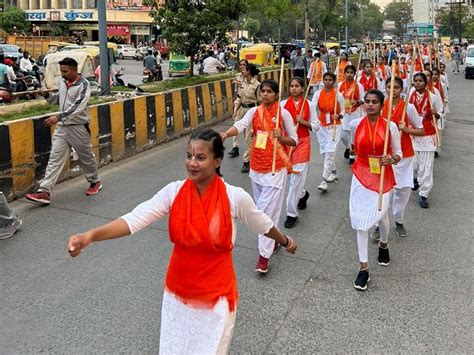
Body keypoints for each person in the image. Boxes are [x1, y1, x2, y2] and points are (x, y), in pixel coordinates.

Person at [67, 128, 298, 353]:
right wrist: (91, 236)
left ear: (217, 161)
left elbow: (263, 224)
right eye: (188, 156)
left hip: (216, 299)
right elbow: (134, 219)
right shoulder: (174, 192)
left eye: (200, 157)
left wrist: (285, 241)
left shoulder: (234, 197)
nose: (192, 163)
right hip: (177, 296)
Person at [221, 79, 298, 274]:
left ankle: (264, 256)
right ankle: (276, 240)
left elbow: (294, 140)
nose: (265, 94)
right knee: (267, 212)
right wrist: (225, 134)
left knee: (263, 213)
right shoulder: (254, 112)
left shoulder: (284, 114)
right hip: (256, 168)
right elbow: (240, 125)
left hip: (275, 169)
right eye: (262, 91)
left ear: (276, 94)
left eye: (269, 92)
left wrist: (281, 137)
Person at [26, 57, 102, 205]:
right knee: (54, 159)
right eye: (61, 71)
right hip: (62, 128)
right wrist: (47, 95)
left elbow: (78, 107)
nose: (62, 74)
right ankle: (44, 191)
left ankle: (95, 181)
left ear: (74, 70)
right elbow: (57, 101)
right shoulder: (63, 83)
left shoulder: (84, 85)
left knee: (86, 158)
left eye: (65, 71)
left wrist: (58, 117)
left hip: (79, 127)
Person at [349, 89, 402, 291]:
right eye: (367, 101)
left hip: (382, 175)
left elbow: (398, 152)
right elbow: (355, 149)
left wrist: (391, 159)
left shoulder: (391, 127)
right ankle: (363, 268)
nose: (370, 105)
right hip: (361, 176)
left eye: (374, 102)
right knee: (359, 221)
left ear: (381, 105)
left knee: (381, 216)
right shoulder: (356, 124)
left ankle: (383, 243)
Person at [372, 77, 424, 241]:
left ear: (401, 89)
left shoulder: (408, 108)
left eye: (395, 87)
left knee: (402, 191)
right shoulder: (380, 106)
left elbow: (421, 130)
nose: (392, 90)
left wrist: (406, 128)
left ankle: (399, 220)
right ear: (385, 88)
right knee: (383, 191)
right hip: (385, 155)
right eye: (389, 87)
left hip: (404, 156)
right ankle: (378, 224)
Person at [281, 77, 318, 228]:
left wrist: (303, 122)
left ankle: (291, 213)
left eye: (297, 86)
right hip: (288, 143)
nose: (294, 88)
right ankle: (302, 194)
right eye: (292, 86)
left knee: (295, 178)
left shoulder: (309, 104)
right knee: (290, 178)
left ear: (302, 88)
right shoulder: (282, 105)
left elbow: (316, 127)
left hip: (302, 142)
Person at [408, 73, 443, 208]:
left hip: (428, 134)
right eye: (415, 81)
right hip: (413, 133)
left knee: (426, 166)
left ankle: (424, 193)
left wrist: (436, 113)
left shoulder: (433, 97)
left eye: (420, 81)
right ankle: (415, 179)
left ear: (425, 82)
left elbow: (440, 112)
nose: (417, 83)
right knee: (414, 163)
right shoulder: (409, 96)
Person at [312, 72, 345, 192]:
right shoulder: (317, 94)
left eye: (330, 80)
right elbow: (313, 108)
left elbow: (343, 110)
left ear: (334, 81)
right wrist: (315, 121)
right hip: (321, 127)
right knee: (325, 152)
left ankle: (324, 180)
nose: (327, 82)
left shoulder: (338, 95)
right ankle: (334, 172)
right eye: (325, 79)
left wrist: (339, 115)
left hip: (335, 126)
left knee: (330, 151)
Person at [228, 64, 261, 174]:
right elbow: (239, 97)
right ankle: (235, 147)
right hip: (241, 108)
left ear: (249, 71)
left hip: (251, 110)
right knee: (236, 128)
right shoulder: (243, 83)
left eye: (244, 69)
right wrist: (235, 110)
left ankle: (247, 161)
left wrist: (259, 117)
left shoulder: (257, 85)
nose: (242, 70)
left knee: (248, 137)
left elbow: (260, 102)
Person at [339, 65, 365, 165]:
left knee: (353, 134)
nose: (349, 74)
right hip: (344, 112)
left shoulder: (359, 86)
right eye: (348, 72)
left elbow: (363, 99)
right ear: (344, 73)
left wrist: (357, 101)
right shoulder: (340, 85)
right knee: (343, 135)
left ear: (354, 74)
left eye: (351, 73)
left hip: (355, 112)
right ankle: (347, 147)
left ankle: (352, 156)